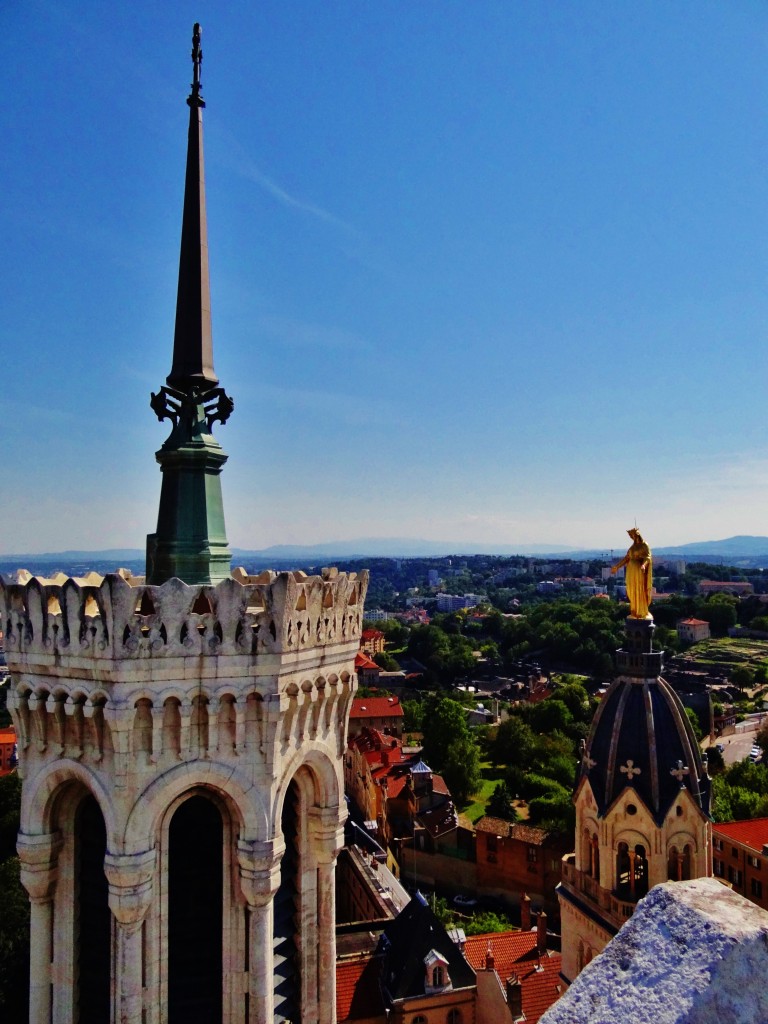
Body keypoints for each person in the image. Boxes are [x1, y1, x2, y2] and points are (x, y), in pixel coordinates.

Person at [611, 528, 652, 619]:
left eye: (631, 535)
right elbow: (626, 558)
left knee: (639, 588)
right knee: (631, 589)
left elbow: (648, 557)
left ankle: (641, 611)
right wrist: (617, 567)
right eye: (630, 536)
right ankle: (634, 611)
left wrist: (644, 565)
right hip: (630, 570)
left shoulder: (644, 545)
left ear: (636, 534)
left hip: (638, 570)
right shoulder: (632, 547)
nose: (631, 537)